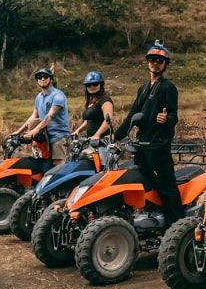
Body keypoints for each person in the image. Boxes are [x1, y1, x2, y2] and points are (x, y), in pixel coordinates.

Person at [114, 40, 183, 227]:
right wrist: (114, 136)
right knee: (142, 184)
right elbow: (132, 116)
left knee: (166, 188)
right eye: (152, 59)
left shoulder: (168, 87)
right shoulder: (143, 89)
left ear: (165, 64)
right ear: (147, 62)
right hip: (141, 146)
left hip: (158, 146)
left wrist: (166, 120)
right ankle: (149, 220)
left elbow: (174, 114)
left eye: (160, 60)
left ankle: (177, 227)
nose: (155, 63)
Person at [12, 67, 70, 166]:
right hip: (44, 138)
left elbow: (49, 117)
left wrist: (35, 130)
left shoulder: (58, 96)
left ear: (51, 79)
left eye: (45, 76)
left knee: (58, 166)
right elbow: (33, 117)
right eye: (39, 77)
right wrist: (19, 131)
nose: (42, 79)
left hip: (58, 137)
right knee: (42, 165)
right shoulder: (38, 97)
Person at [72, 71, 114, 141]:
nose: (92, 87)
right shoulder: (91, 102)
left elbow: (108, 120)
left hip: (103, 140)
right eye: (88, 85)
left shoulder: (105, 101)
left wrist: (97, 134)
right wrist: (78, 131)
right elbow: (89, 120)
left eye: (95, 84)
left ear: (101, 85)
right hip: (91, 140)